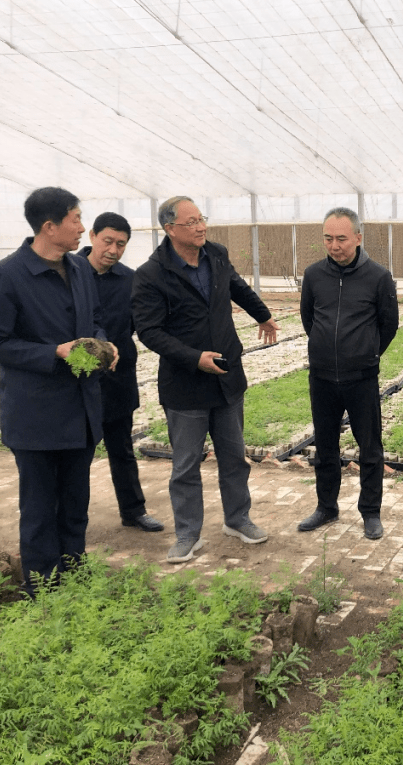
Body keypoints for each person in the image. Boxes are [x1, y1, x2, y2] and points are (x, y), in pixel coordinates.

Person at [0, 187, 117, 594]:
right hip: (37, 414)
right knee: (40, 508)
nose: (81, 228)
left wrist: (103, 344)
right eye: (76, 219)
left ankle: (74, 577)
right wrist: (54, 352)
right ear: (49, 226)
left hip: (81, 409)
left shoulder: (78, 269)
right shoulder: (6, 276)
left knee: (75, 504)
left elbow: (95, 319)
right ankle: (42, 589)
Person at [132, 196, 279, 564]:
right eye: (192, 222)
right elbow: (149, 331)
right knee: (185, 466)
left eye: (202, 219)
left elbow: (236, 286)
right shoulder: (151, 273)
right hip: (185, 384)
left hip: (227, 376)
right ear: (170, 229)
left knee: (234, 457)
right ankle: (187, 534)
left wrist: (263, 315)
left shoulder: (215, 252)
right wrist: (194, 358)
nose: (201, 227)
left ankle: (238, 519)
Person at [298, 207, 399, 540]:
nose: (334, 245)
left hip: (361, 379)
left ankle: (370, 512)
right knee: (325, 447)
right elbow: (308, 319)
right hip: (322, 379)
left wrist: (365, 353)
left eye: (341, 238)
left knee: (370, 448)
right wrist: (327, 351)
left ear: (358, 237)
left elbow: (389, 324)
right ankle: (326, 507)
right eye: (328, 238)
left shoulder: (379, 277)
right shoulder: (314, 276)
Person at [78, 212, 164, 533]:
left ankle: (133, 511)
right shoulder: (69, 274)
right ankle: (71, 517)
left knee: (122, 450)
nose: (113, 250)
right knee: (78, 455)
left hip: (118, 379)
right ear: (92, 236)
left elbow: (145, 324)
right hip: (81, 379)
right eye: (107, 241)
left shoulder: (130, 280)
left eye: (121, 244)